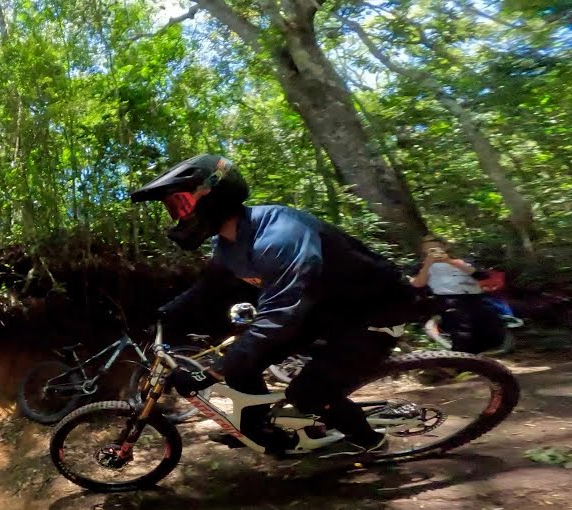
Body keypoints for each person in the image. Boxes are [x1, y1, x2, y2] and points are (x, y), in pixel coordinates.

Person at [130, 154, 422, 456]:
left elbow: (280, 314)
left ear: (214, 194)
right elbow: (208, 288)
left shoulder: (280, 236)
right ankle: (259, 431)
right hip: (324, 311)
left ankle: (370, 442)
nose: (178, 216)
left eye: (181, 205)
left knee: (307, 393)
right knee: (241, 368)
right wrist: (163, 315)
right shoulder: (228, 246)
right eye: (174, 209)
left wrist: (212, 373)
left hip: (373, 314)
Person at [410, 238, 506, 353]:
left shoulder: (461, 261)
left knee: (491, 326)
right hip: (449, 301)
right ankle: (462, 359)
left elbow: (481, 276)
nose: (433, 251)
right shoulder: (421, 267)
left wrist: (450, 261)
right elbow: (417, 284)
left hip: (475, 299)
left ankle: (480, 355)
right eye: (429, 249)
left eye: (436, 248)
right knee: (463, 333)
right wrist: (427, 265)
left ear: (444, 247)